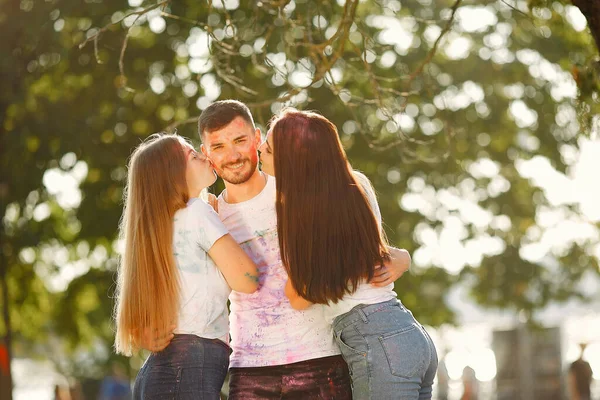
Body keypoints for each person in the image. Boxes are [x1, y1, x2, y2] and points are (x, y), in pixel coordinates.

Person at [144, 101, 409, 399]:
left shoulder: (300, 189)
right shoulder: (208, 215)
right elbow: (178, 282)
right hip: (249, 368)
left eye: (240, 141)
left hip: (321, 358)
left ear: (258, 139)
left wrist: (398, 256)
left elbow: (355, 239)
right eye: (218, 146)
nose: (232, 155)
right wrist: (149, 327)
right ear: (206, 154)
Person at [261, 108, 438, 400]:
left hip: (377, 342)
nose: (259, 150)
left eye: (267, 148)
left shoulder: (304, 210)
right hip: (406, 331)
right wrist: (402, 257)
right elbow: (372, 253)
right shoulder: (356, 184)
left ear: (291, 160)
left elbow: (301, 295)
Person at [113, 133, 259, 400]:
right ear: (173, 175)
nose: (206, 155)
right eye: (193, 155)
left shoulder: (161, 228)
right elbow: (248, 278)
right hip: (187, 371)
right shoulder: (198, 212)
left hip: (159, 374)